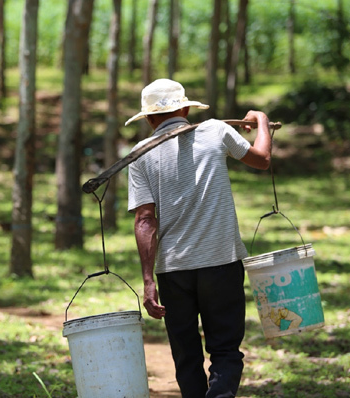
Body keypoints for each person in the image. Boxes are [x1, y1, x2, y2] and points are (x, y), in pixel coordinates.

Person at [125, 78, 272, 398]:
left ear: (148, 118)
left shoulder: (139, 154)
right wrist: (261, 121)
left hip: (172, 270)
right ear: (187, 108)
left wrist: (148, 280)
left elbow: (145, 219)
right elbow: (261, 159)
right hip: (221, 261)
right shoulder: (215, 131)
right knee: (225, 350)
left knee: (186, 354)